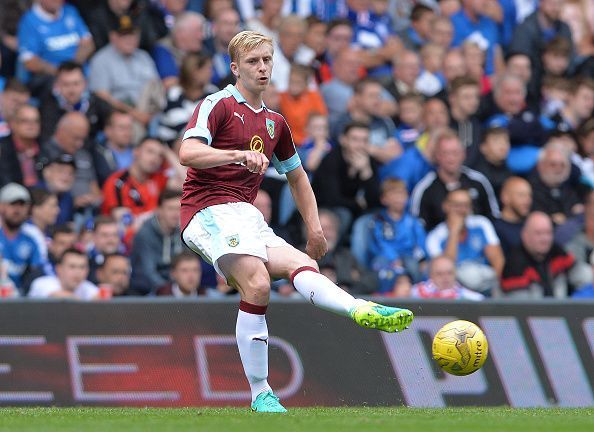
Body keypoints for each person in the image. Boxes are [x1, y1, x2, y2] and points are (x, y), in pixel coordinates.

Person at [178, 31, 413, 413]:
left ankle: (360, 309)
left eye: (267, 60)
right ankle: (260, 394)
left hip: (245, 213)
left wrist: (315, 228)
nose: (262, 68)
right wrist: (235, 154)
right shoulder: (217, 105)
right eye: (253, 62)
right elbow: (187, 152)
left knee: (304, 265)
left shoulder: (275, 122)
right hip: (207, 210)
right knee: (256, 282)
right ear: (236, 68)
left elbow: (298, 177)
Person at [410, 129, 500, 231]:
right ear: (437, 156)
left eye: (455, 153)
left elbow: (494, 218)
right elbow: (417, 228)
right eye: (445, 153)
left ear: (463, 154)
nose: (451, 158)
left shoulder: (479, 181)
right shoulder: (425, 188)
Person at [425, 188, 504, 295]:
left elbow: (498, 260)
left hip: (485, 283)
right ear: (446, 206)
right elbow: (445, 269)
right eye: (457, 205)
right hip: (454, 289)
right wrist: (454, 232)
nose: (462, 210)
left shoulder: (481, 224)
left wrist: (492, 285)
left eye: (466, 205)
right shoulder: (435, 237)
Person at [501, 211, 590, 298]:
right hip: (533, 312)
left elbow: (585, 276)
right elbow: (520, 307)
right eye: (538, 233)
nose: (545, 239)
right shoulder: (514, 264)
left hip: (560, 310)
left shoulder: (556, 252)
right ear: (525, 235)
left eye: (548, 233)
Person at [38, 61, 112, 143]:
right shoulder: (48, 106)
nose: (71, 90)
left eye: (76, 84)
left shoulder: (97, 103)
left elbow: (112, 126)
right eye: (66, 84)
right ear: (57, 85)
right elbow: (47, 140)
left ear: (85, 83)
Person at [129, 189, 183, 295]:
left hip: (175, 291)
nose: (176, 214)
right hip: (147, 292)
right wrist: (170, 292)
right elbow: (148, 273)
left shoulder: (184, 232)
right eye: (171, 209)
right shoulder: (144, 234)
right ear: (159, 210)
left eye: (179, 209)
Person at [0, 183, 44, 293]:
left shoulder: (33, 235)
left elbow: (37, 270)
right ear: (1, 206)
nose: (17, 209)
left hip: (23, 296)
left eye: (22, 204)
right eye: (13, 204)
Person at [28, 248, 99, 300]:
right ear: (59, 269)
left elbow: (100, 301)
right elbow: (57, 295)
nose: (78, 272)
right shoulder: (42, 283)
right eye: (72, 267)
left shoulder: (87, 287)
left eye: (82, 267)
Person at [410, 255, 484, 300]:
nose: (445, 278)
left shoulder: (469, 298)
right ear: (431, 275)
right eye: (439, 274)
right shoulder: (414, 293)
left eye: (449, 273)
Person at [493, 176, 533, 253]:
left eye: (529, 195)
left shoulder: (531, 225)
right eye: (521, 195)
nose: (527, 200)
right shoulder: (494, 228)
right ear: (505, 197)